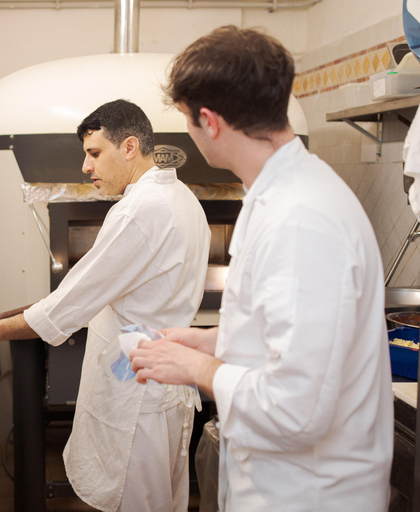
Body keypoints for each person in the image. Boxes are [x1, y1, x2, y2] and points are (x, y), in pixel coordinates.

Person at [129, 26, 393, 512]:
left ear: (208, 121)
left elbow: (298, 409)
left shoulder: (302, 218)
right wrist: (216, 340)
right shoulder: (277, 191)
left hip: (310, 494)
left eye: (186, 120)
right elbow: (290, 336)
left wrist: (199, 368)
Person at [0, 99, 210, 512]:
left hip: (137, 391)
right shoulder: (181, 198)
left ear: (128, 147)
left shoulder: (138, 212)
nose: (86, 167)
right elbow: (84, 289)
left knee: (139, 503)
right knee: (161, 499)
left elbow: (68, 306)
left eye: (94, 153)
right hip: (164, 382)